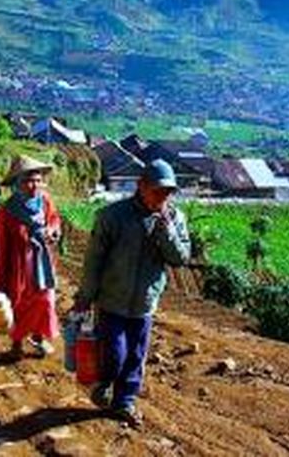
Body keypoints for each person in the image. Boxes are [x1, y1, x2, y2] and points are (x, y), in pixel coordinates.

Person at [72, 159, 191, 427]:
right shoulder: (112, 216)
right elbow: (94, 261)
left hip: (144, 302)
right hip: (111, 300)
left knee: (136, 356)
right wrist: (84, 297)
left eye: (168, 192)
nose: (163, 197)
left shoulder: (175, 219)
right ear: (141, 186)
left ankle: (124, 402)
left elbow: (180, 258)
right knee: (115, 353)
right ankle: (103, 383)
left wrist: (167, 231)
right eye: (157, 191)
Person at [0, 156, 61, 359]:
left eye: (38, 180)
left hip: (42, 262)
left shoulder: (45, 201)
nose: (34, 185)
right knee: (20, 302)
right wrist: (0, 277)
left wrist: (52, 230)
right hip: (19, 265)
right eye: (28, 181)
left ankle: (39, 337)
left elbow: (54, 220)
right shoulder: (7, 211)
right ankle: (16, 343)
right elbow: (2, 245)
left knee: (46, 301)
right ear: (17, 183)